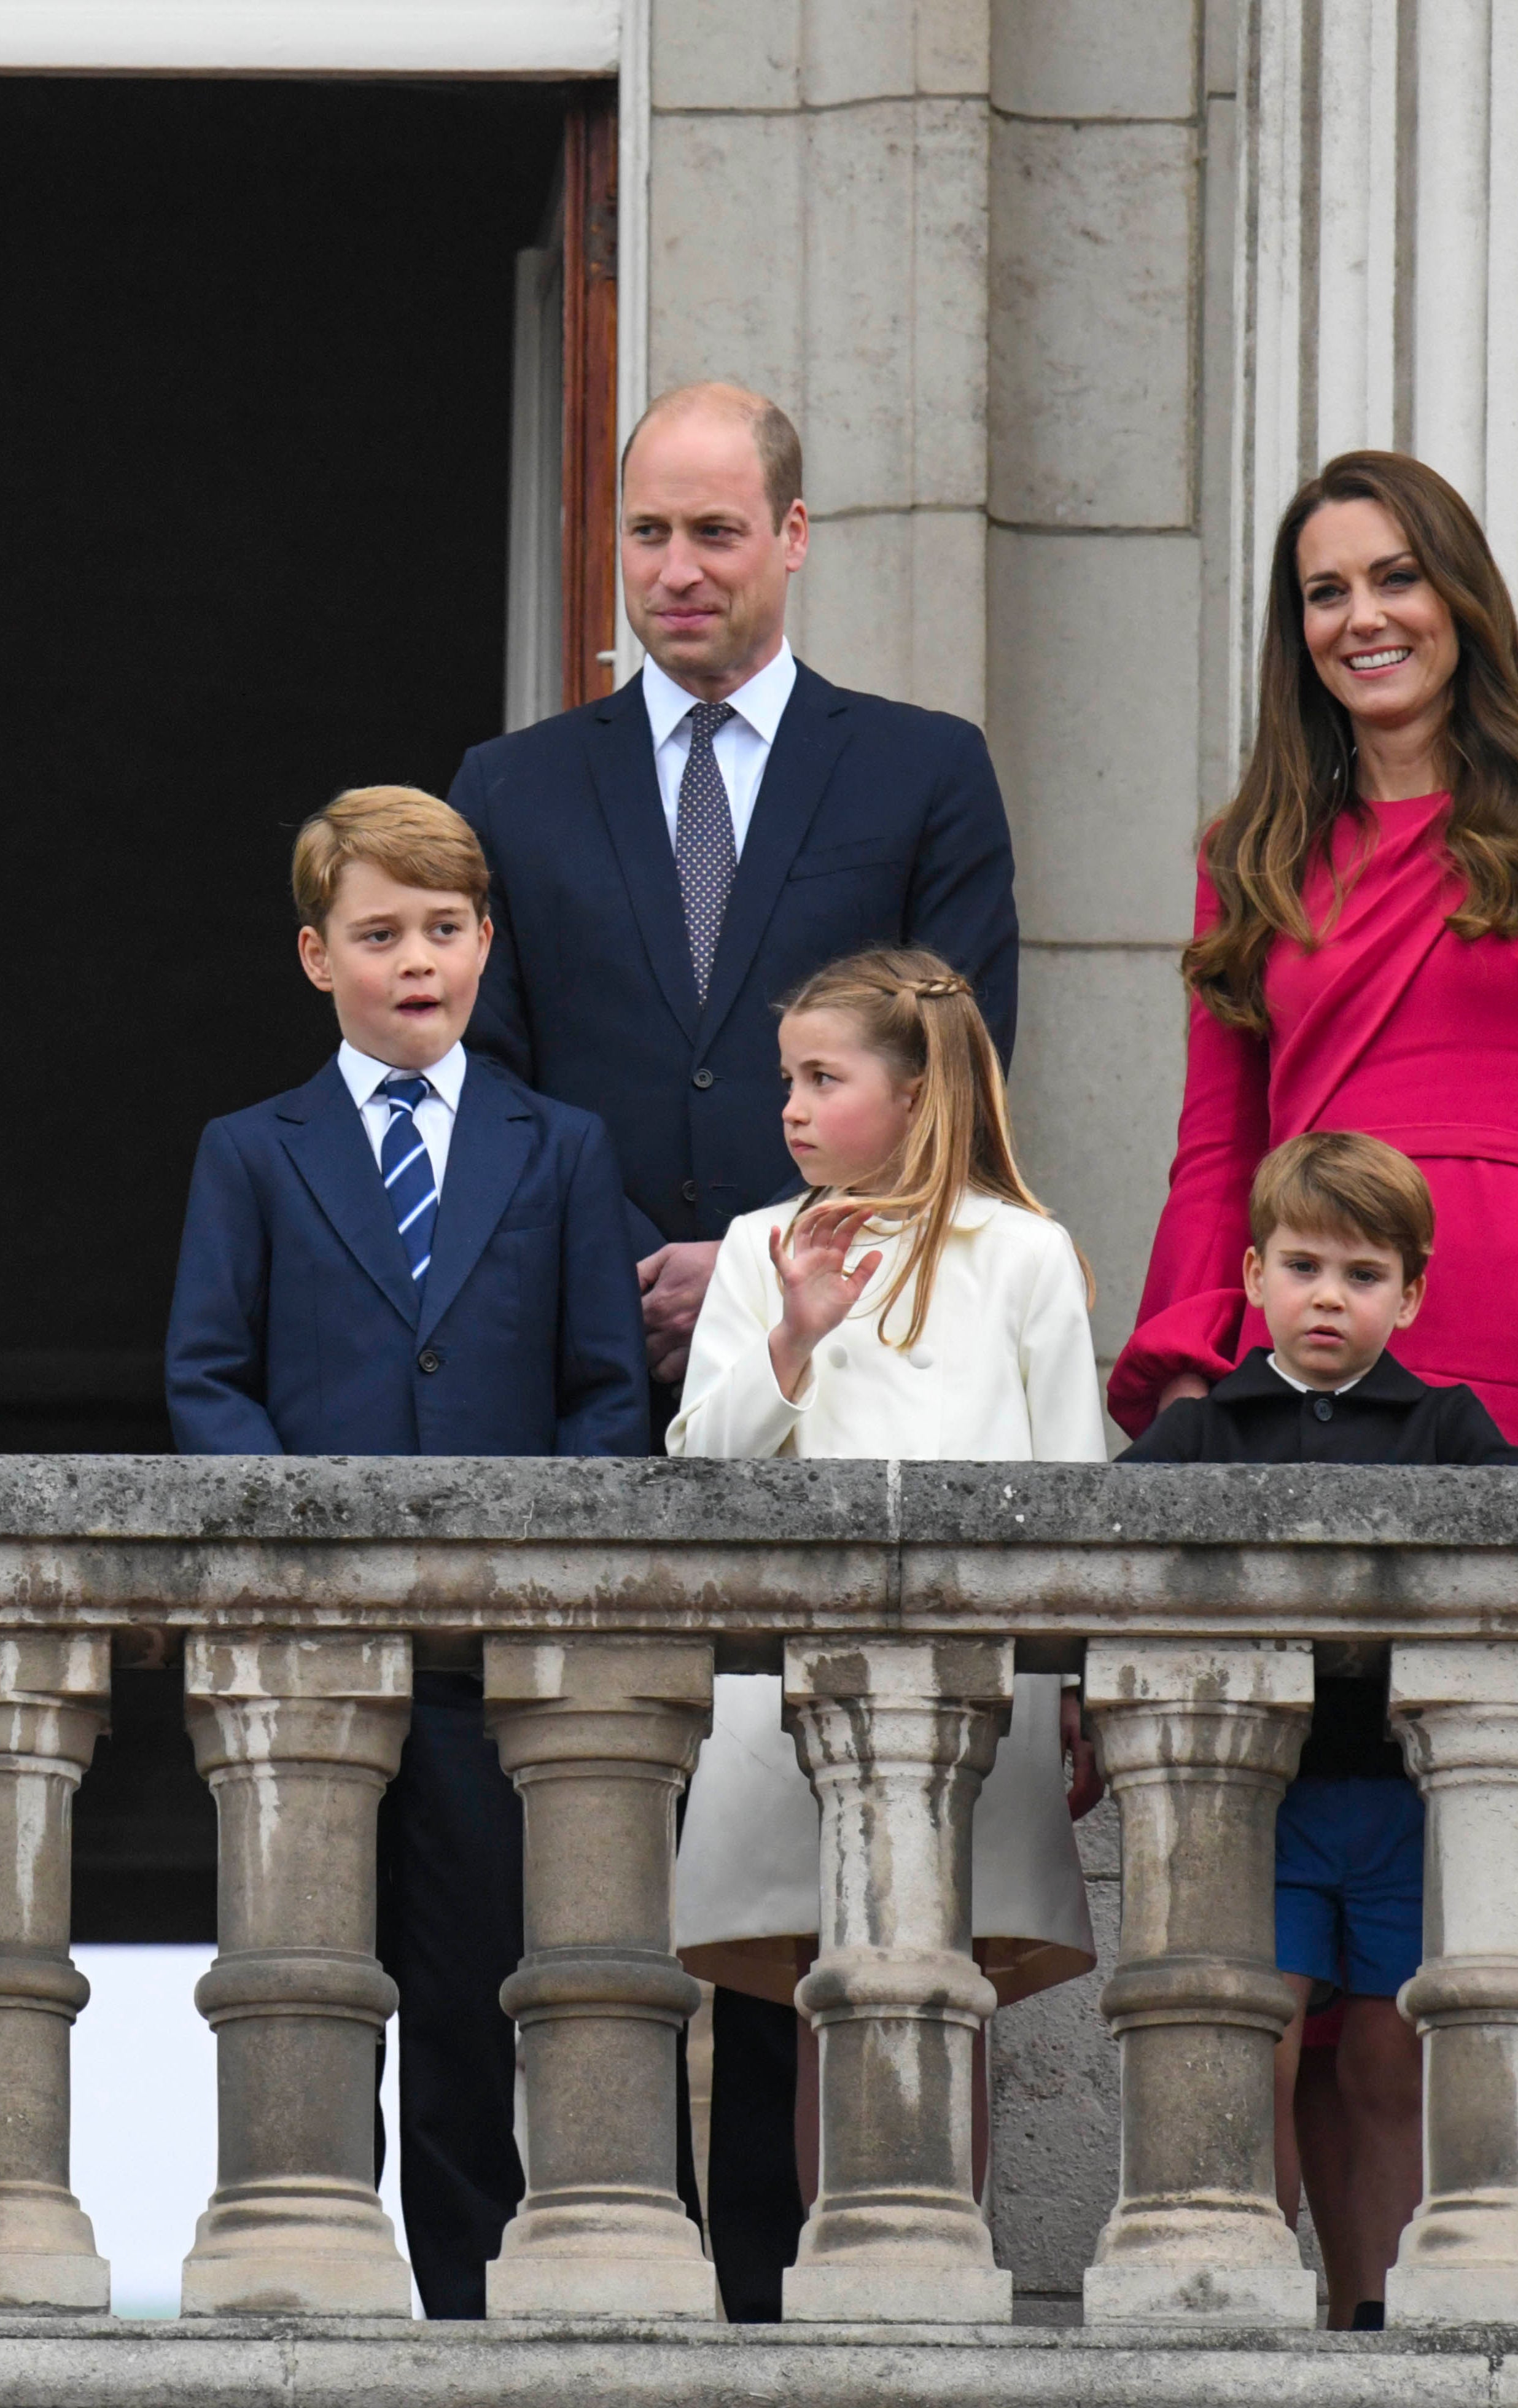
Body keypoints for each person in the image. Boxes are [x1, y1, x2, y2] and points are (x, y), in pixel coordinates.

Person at [445, 379, 1019, 2315]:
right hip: (593, 1377)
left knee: (796, 1842)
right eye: (647, 534)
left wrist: (772, 1258)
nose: (677, 570)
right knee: (577, 1854)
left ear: (792, 537)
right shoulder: (512, 786)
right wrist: (633, 1262)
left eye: (714, 532)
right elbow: (487, 1075)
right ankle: (578, 2272)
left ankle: (785, 2287)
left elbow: (960, 1057)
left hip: (842, 1369)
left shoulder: (918, 771)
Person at [165, 785, 650, 2318]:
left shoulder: (558, 1146)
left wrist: (537, 1572)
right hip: (311, 1661)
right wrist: (300, 1556)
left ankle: (460, 2317)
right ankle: (320, 2297)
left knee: (467, 1995)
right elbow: (208, 1377)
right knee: (305, 1988)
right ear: (318, 956)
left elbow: (604, 1390)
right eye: (379, 933)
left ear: (487, 942)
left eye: (444, 928)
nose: (416, 959)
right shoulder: (251, 1149)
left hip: (487, 1667)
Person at [666, 949, 1099, 2224]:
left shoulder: (1023, 1252)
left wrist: (1076, 1682)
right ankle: (837, 2270)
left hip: (982, 1683)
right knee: (827, 1984)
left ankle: (945, 2259)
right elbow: (701, 1470)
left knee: (951, 1978)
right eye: (786, 1080)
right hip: (795, 1681)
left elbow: (1074, 1490)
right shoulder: (757, 1247)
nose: (790, 1108)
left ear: (914, 1092)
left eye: (822, 1077)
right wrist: (793, 1334)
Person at [1123, 1130, 1518, 2329]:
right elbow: (1098, 1541)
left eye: (1362, 1274)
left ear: (1411, 1293)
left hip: (1400, 1794)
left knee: (1388, 2060)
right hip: (1261, 1799)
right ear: (1252, 1274)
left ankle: (1374, 2307)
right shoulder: (1204, 1430)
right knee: (1255, 2035)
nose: (1328, 1296)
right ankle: (1261, 2286)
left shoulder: (1444, 1428)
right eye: (1302, 1266)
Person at [1113, 451, 1518, 1461]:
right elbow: (1216, 1147)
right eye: (1326, 593)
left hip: (1503, 1320)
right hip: (1296, 1332)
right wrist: (1189, 1364)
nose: (1362, 618)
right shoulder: (1248, 853)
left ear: (1458, 597)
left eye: (1395, 578)